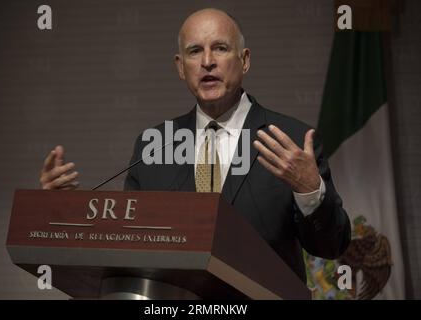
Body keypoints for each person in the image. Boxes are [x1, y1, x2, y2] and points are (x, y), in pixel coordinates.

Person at [40, 8, 350, 282]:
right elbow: (127, 243)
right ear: (180, 67)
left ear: (244, 61)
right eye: (194, 51)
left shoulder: (291, 140)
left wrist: (310, 190)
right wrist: (73, 213)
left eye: (220, 48)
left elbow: (332, 246)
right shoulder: (153, 147)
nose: (207, 62)